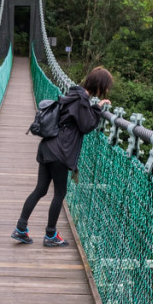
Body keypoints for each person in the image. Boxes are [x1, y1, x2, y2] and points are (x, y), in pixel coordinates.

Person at [11, 66, 114, 247]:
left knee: (40, 189)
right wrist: (98, 109)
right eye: (105, 88)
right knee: (60, 192)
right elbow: (86, 125)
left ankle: (21, 228)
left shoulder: (72, 94)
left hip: (47, 147)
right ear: (99, 86)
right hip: (59, 151)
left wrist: (92, 106)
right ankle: (50, 235)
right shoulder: (80, 100)